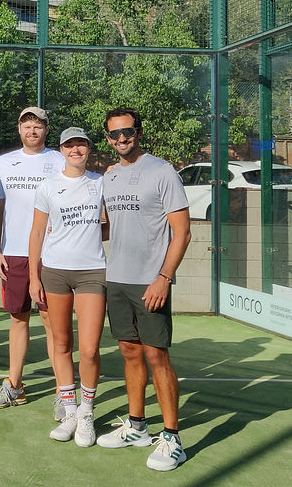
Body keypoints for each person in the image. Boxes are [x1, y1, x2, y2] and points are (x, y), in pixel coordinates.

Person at [96, 108, 191, 472]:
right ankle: (137, 426)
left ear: (138, 131)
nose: (121, 139)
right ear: (107, 138)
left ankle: (172, 437)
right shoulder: (110, 178)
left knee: (157, 357)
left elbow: (182, 232)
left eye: (127, 131)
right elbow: (112, 228)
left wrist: (163, 278)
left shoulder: (162, 171)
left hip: (152, 282)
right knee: (129, 352)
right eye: (114, 134)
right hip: (116, 280)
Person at [28, 127, 107, 447]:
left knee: (88, 348)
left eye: (81, 145)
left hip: (92, 272)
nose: (75, 150)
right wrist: (35, 277)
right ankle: (70, 409)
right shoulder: (47, 186)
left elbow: (114, 222)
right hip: (55, 272)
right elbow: (36, 234)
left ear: (89, 149)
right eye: (69, 145)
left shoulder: (102, 182)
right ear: (61, 149)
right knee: (61, 344)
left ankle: (87, 412)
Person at [0, 107, 65, 412]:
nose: (32, 130)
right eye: (26, 125)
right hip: (14, 254)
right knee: (18, 319)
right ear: (19, 130)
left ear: (46, 130)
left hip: (52, 254)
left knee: (51, 321)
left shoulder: (59, 160)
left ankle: (64, 391)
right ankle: (15, 387)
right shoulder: (5, 162)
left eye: (37, 126)